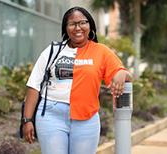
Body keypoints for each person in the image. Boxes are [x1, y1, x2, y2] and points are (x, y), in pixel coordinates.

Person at [23, 6, 130, 154]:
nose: (77, 27)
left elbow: (123, 74)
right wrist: (27, 120)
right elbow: (34, 86)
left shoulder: (101, 51)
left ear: (90, 25)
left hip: (87, 118)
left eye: (82, 23)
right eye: (72, 24)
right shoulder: (53, 50)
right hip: (51, 115)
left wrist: (122, 73)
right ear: (66, 28)